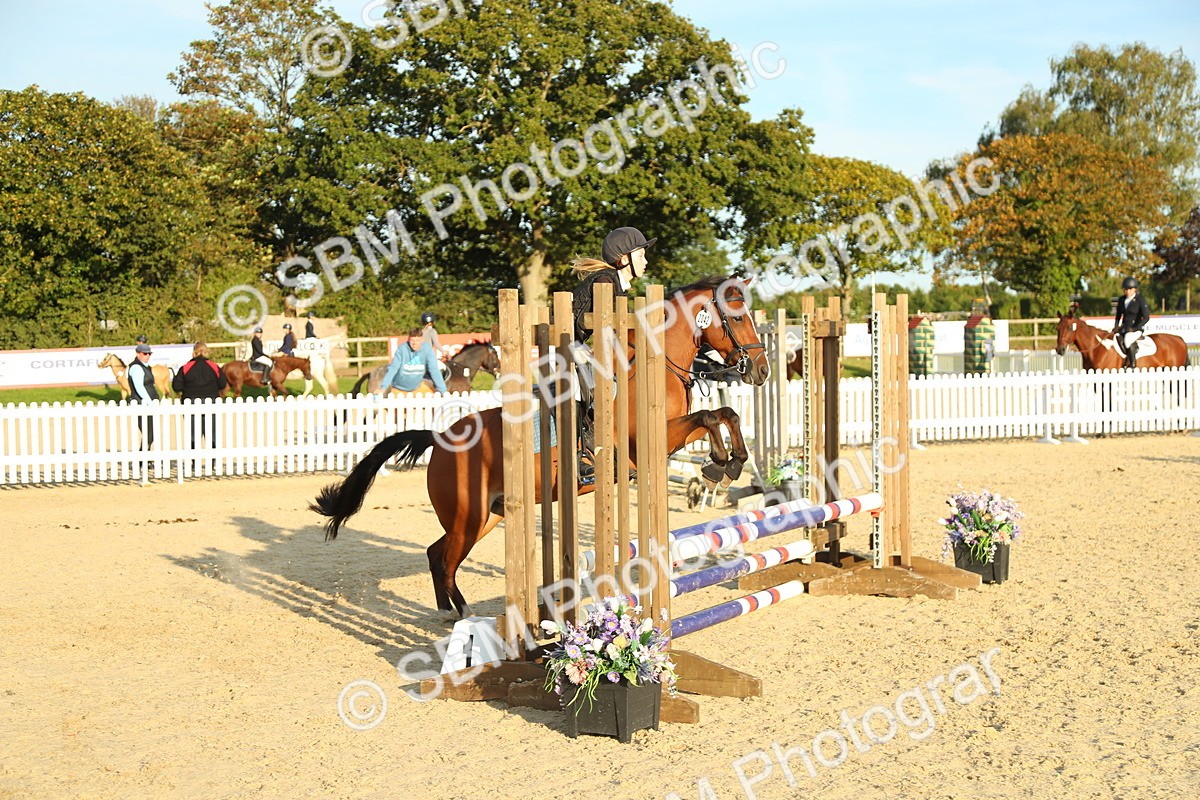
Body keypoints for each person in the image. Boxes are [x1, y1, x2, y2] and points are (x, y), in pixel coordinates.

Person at [568, 226, 656, 482]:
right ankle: (583, 453)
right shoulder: (606, 281)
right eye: (641, 255)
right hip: (567, 346)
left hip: (579, 346)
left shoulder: (616, 282)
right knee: (598, 386)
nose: (646, 261)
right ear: (624, 258)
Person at [173, 342, 228, 450]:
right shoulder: (213, 366)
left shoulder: (186, 367)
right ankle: (212, 461)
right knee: (212, 433)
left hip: (191, 402)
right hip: (211, 402)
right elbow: (222, 384)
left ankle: (194, 461)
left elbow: (176, 386)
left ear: (194, 353)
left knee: (193, 434)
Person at [380, 327, 448, 395]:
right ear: (408, 339)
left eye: (417, 340)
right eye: (412, 340)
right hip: (399, 390)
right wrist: (383, 388)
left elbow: (434, 370)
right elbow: (393, 368)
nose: (414, 343)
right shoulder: (401, 350)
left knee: (433, 400)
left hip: (418, 388)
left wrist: (443, 391)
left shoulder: (427, 349)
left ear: (422, 340)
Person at [126, 343, 159, 454]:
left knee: (151, 434)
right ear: (138, 354)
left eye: (149, 354)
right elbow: (139, 387)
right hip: (142, 404)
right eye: (145, 354)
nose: (148, 356)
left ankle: (145, 458)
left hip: (148, 404)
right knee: (148, 433)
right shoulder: (136, 367)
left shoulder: (146, 367)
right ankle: (142, 459)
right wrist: (150, 403)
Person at [1112, 276, 1150, 369]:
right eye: (1126, 289)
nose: (1128, 291)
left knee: (1127, 340)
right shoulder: (1121, 300)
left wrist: (1135, 328)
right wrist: (1116, 327)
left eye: (1130, 289)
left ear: (1135, 289)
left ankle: (1132, 364)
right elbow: (1118, 316)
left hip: (1136, 329)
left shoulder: (1140, 299)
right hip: (1124, 328)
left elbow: (1146, 317)